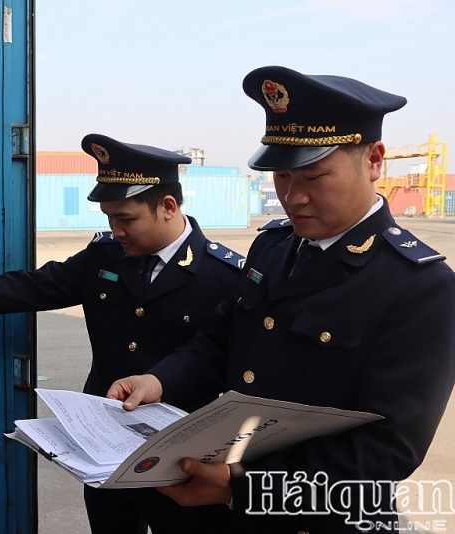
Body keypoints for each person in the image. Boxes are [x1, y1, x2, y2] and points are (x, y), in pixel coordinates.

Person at [108, 65, 455, 533]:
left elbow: (385, 452)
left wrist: (243, 487)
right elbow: (219, 340)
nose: (292, 198)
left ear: (373, 160)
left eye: (312, 176)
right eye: (281, 177)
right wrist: (160, 381)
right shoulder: (273, 247)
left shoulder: (421, 287)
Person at [0, 133, 245, 533]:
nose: (116, 230)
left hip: (184, 458)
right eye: (110, 219)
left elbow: (231, 365)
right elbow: (31, 286)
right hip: (103, 454)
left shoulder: (225, 277)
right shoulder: (104, 258)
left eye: (126, 218)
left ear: (167, 206)